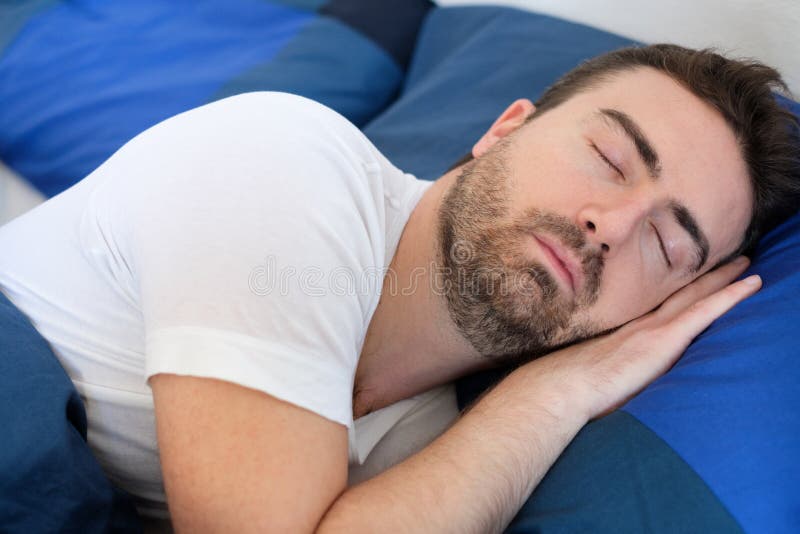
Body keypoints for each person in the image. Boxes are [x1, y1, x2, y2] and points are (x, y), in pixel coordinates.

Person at [0, 44, 798, 532]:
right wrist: (550, 395)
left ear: (656, 314)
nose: (610, 226)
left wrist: (565, 394)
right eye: (610, 158)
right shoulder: (288, 164)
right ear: (505, 129)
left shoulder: (426, 456)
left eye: (665, 242)